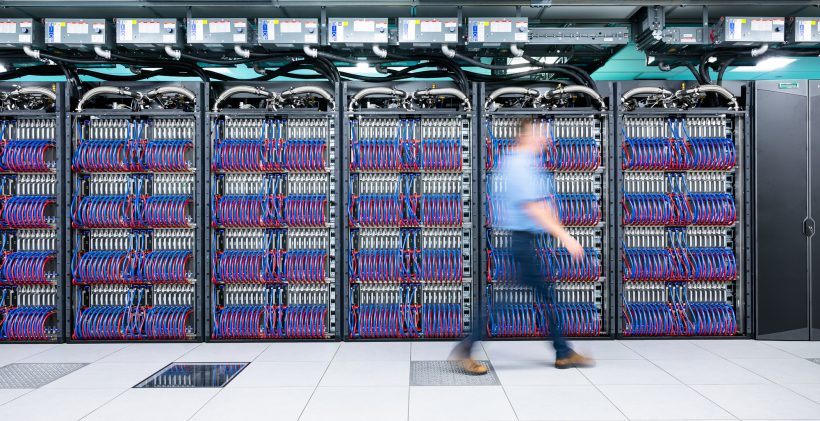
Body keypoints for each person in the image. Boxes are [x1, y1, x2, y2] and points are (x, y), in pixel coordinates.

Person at [450, 118, 595, 374]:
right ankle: (467, 347)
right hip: (522, 241)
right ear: (526, 136)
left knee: (542, 297)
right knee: (505, 302)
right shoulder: (519, 164)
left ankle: (562, 351)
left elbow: (542, 203)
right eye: (542, 135)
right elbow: (533, 207)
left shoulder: (525, 162)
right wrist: (566, 237)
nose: (547, 140)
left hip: (526, 239)